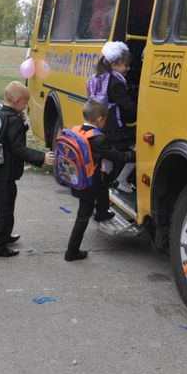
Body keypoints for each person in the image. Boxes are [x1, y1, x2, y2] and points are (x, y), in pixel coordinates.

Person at [0, 81, 54, 257]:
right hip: (5, 172)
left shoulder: (0, 114)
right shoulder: (13, 120)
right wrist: (42, 157)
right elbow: (19, 149)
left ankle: (5, 235)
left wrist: (22, 123)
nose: (26, 106)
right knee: (5, 209)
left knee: (7, 203)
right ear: (17, 100)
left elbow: (8, 138)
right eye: (25, 103)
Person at [64, 100, 136, 262]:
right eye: (106, 120)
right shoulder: (98, 139)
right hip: (88, 184)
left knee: (104, 185)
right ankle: (72, 251)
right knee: (83, 216)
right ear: (99, 120)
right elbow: (116, 156)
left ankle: (102, 213)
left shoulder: (77, 131)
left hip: (80, 178)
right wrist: (135, 155)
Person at [91, 41, 137, 193]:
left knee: (107, 157)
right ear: (115, 64)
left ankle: (106, 186)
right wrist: (142, 112)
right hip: (114, 127)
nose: (128, 68)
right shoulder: (116, 82)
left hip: (103, 124)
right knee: (137, 149)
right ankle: (120, 180)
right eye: (126, 65)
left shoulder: (102, 77)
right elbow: (127, 106)